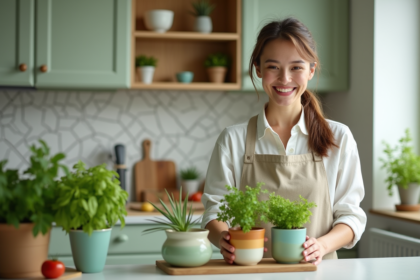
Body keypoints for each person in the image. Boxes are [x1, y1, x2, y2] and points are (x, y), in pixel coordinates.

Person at [201, 17, 367, 266]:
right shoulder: (232, 140)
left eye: (296, 67)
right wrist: (223, 238)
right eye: (273, 67)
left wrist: (322, 245)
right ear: (258, 69)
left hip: (319, 273)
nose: (285, 78)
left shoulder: (338, 138)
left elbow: (352, 216)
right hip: (250, 274)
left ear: (311, 70)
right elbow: (214, 211)